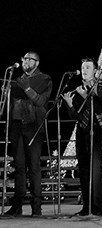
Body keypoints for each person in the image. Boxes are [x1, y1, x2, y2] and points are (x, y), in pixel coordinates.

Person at [4, 51, 53, 217]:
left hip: (34, 127)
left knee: (34, 167)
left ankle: (36, 207)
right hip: (17, 127)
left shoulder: (44, 79)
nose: (24, 61)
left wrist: (26, 88)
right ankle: (16, 206)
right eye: (23, 59)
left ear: (36, 63)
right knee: (18, 167)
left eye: (28, 59)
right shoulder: (16, 80)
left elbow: (40, 101)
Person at [62, 58, 102, 216]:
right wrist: (70, 104)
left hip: (96, 128)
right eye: (83, 67)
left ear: (95, 70)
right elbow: (75, 115)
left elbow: (99, 107)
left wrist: (86, 95)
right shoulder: (79, 88)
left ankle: (97, 207)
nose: (84, 70)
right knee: (83, 168)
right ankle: (86, 205)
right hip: (82, 129)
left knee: (95, 169)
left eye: (88, 67)